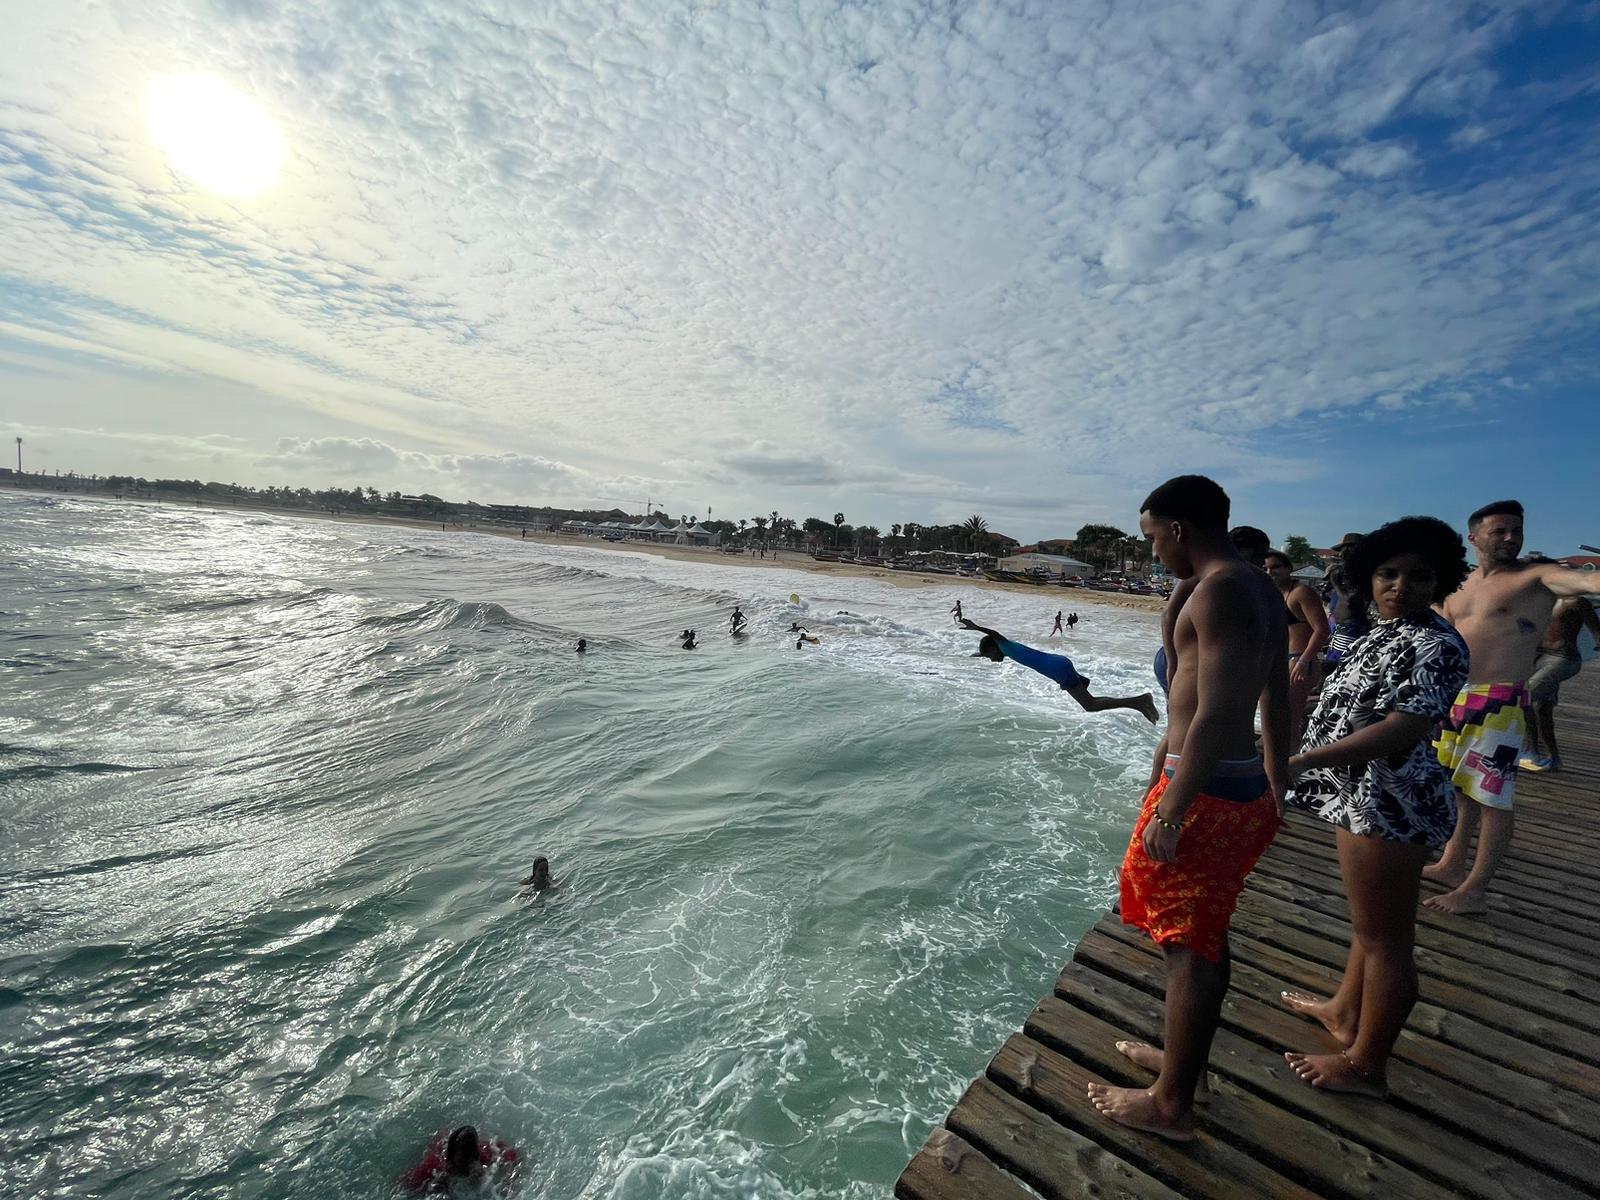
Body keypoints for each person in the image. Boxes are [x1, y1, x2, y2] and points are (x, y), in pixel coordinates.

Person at [1086, 475, 1289, 1143]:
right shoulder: (1256, 583)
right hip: (1230, 782)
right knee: (1204, 936)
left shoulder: (1222, 588)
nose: (1150, 554)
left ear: (1178, 529)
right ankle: (1185, 1066)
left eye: (1151, 539)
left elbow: (1216, 711)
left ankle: (1172, 1105)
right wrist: (1276, 782)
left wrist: (1172, 808)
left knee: (1189, 953)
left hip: (1204, 791)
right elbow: (1275, 698)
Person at [1280, 517, 1470, 1097]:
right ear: (1369, 578)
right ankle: (1343, 1009)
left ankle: (1367, 1064)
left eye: (1419, 576)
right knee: (1368, 925)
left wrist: (1302, 761)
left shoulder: (1435, 642)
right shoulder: (1386, 631)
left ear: (1440, 581)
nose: (1401, 586)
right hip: (1360, 793)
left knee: (1388, 940)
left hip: (1392, 801)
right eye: (1388, 573)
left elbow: (1404, 727)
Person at [1424, 500, 1595, 914]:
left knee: (1493, 797)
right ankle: (1451, 863)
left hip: (1498, 698)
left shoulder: (1536, 577)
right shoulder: (1459, 583)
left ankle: (1475, 890)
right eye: (1499, 530)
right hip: (1453, 695)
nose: (1510, 538)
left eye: (1516, 530)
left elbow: (1588, 584)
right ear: (1474, 537)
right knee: (1461, 789)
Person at [962, 617, 1158, 724]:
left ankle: (1139, 701)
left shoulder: (1003, 644)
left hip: (1059, 670)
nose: (992, 661)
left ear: (994, 648)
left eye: (989, 656)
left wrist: (977, 627)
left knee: (1089, 705)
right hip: (1060, 663)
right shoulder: (1006, 650)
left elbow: (994, 635)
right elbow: (991, 652)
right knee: (1086, 694)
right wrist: (977, 655)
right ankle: (1087, 683)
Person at [1520, 595, 1599, 772]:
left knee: (1522, 698)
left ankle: (1531, 751)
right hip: (1538, 658)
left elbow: (1596, 630)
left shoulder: (1575, 601)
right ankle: (1554, 758)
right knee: (1542, 708)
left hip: (1563, 659)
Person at [1264, 549, 1331, 746]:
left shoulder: (1301, 592)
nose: (1270, 572)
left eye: (1276, 567)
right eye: (1265, 568)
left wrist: (1304, 660)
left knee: (1289, 719)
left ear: (1289, 569)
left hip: (1299, 660)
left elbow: (1322, 629)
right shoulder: (1276, 594)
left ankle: (1290, 763)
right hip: (1284, 661)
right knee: (1278, 717)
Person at [400, 1125, 519, 1193]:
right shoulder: (431, 1169)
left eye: (473, 1167)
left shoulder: (489, 1153)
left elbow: (516, 1158)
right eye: (463, 1169)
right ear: (448, 1164)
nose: (473, 1172)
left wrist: (509, 1184)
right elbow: (402, 1186)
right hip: (441, 1144)